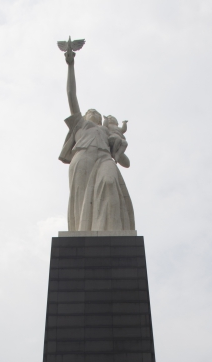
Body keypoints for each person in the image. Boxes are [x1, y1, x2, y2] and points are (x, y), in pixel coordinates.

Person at [58, 48, 135, 232]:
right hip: (82, 158)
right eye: (89, 111)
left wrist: (119, 149)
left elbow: (126, 163)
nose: (92, 111)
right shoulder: (80, 124)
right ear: (84, 116)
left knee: (110, 182)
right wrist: (70, 65)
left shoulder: (106, 131)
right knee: (81, 202)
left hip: (104, 158)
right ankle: (83, 234)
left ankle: (112, 234)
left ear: (101, 120)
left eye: (96, 112)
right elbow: (71, 94)